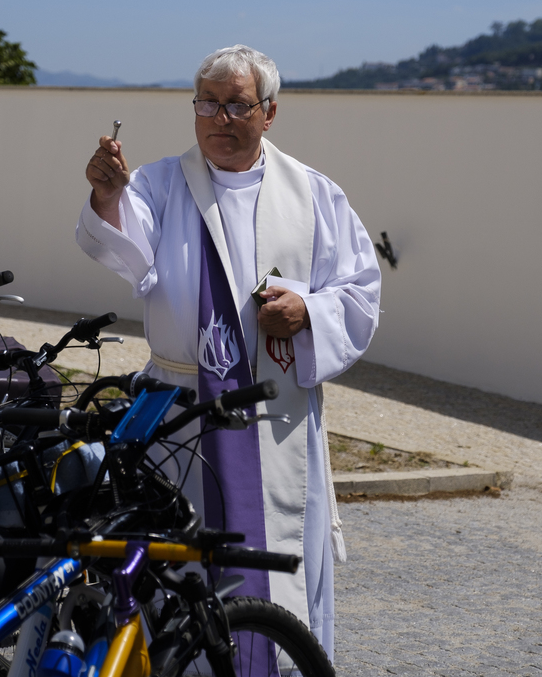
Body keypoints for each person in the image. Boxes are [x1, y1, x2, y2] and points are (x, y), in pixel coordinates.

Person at [76, 44, 380, 656]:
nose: (220, 118)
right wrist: (107, 196)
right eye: (207, 103)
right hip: (181, 408)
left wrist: (307, 312)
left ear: (269, 112)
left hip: (276, 412)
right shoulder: (159, 184)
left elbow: (360, 291)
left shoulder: (314, 194)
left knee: (277, 572)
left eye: (237, 105)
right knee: (181, 569)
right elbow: (126, 249)